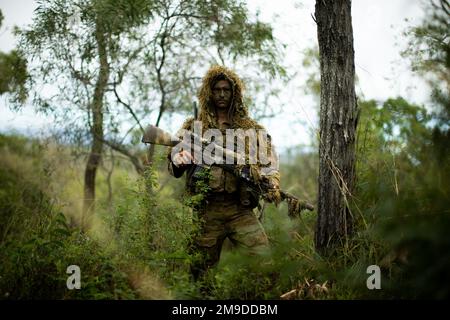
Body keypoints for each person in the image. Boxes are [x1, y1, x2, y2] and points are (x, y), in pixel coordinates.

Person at [167, 65, 281, 280]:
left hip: (240, 210)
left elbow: (270, 164)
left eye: (226, 90)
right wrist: (178, 159)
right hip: (207, 211)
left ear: (234, 93)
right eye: (217, 89)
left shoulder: (251, 129)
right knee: (201, 276)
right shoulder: (194, 127)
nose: (221, 94)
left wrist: (272, 183)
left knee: (264, 265)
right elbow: (174, 162)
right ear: (209, 92)